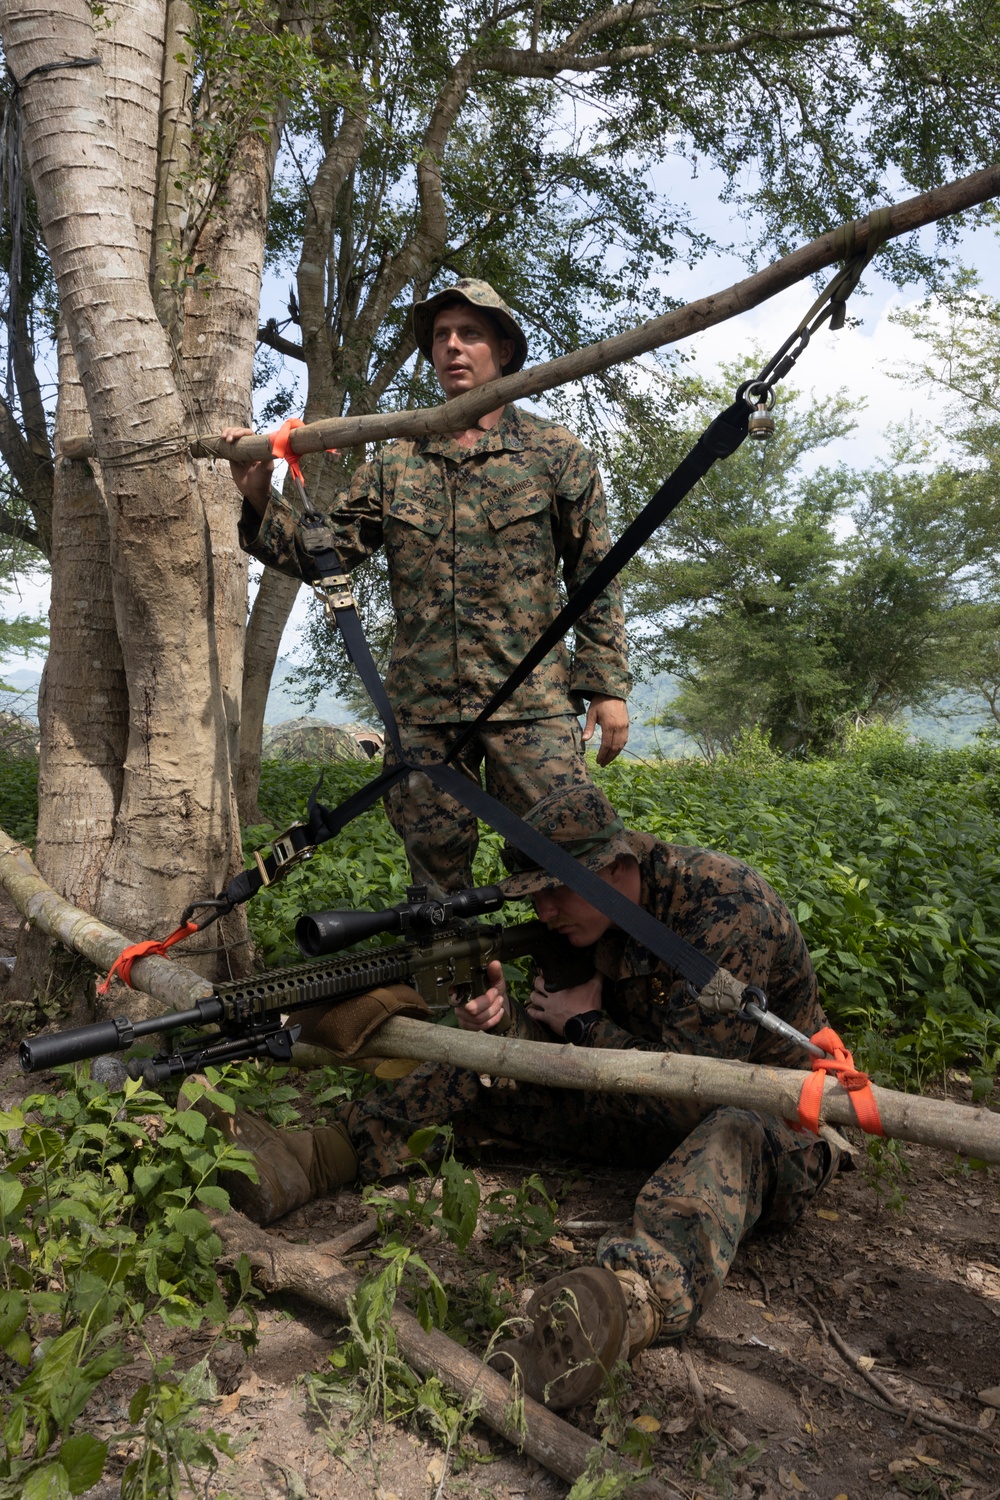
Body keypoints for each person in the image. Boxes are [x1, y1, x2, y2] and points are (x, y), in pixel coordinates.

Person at [193, 784, 839, 1409]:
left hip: (770, 1123)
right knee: (478, 1070)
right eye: (535, 898)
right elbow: (550, 1052)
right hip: (630, 1105)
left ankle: (623, 1305)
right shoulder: (586, 923)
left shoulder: (726, 909)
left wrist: (588, 1024)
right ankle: (308, 1162)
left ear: (615, 869)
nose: (545, 913)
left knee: (735, 1127)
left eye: (555, 892)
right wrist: (502, 1027)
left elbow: (694, 1093)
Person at [223, 279, 631, 891]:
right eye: (441, 336)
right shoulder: (395, 460)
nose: (453, 347)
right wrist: (258, 497)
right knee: (437, 893)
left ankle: (571, 988)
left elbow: (594, 574)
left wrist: (605, 684)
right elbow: (326, 557)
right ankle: (456, 987)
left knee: (576, 872)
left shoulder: (554, 453)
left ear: (504, 351)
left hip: (531, 708)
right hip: (423, 716)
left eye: (470, 334)